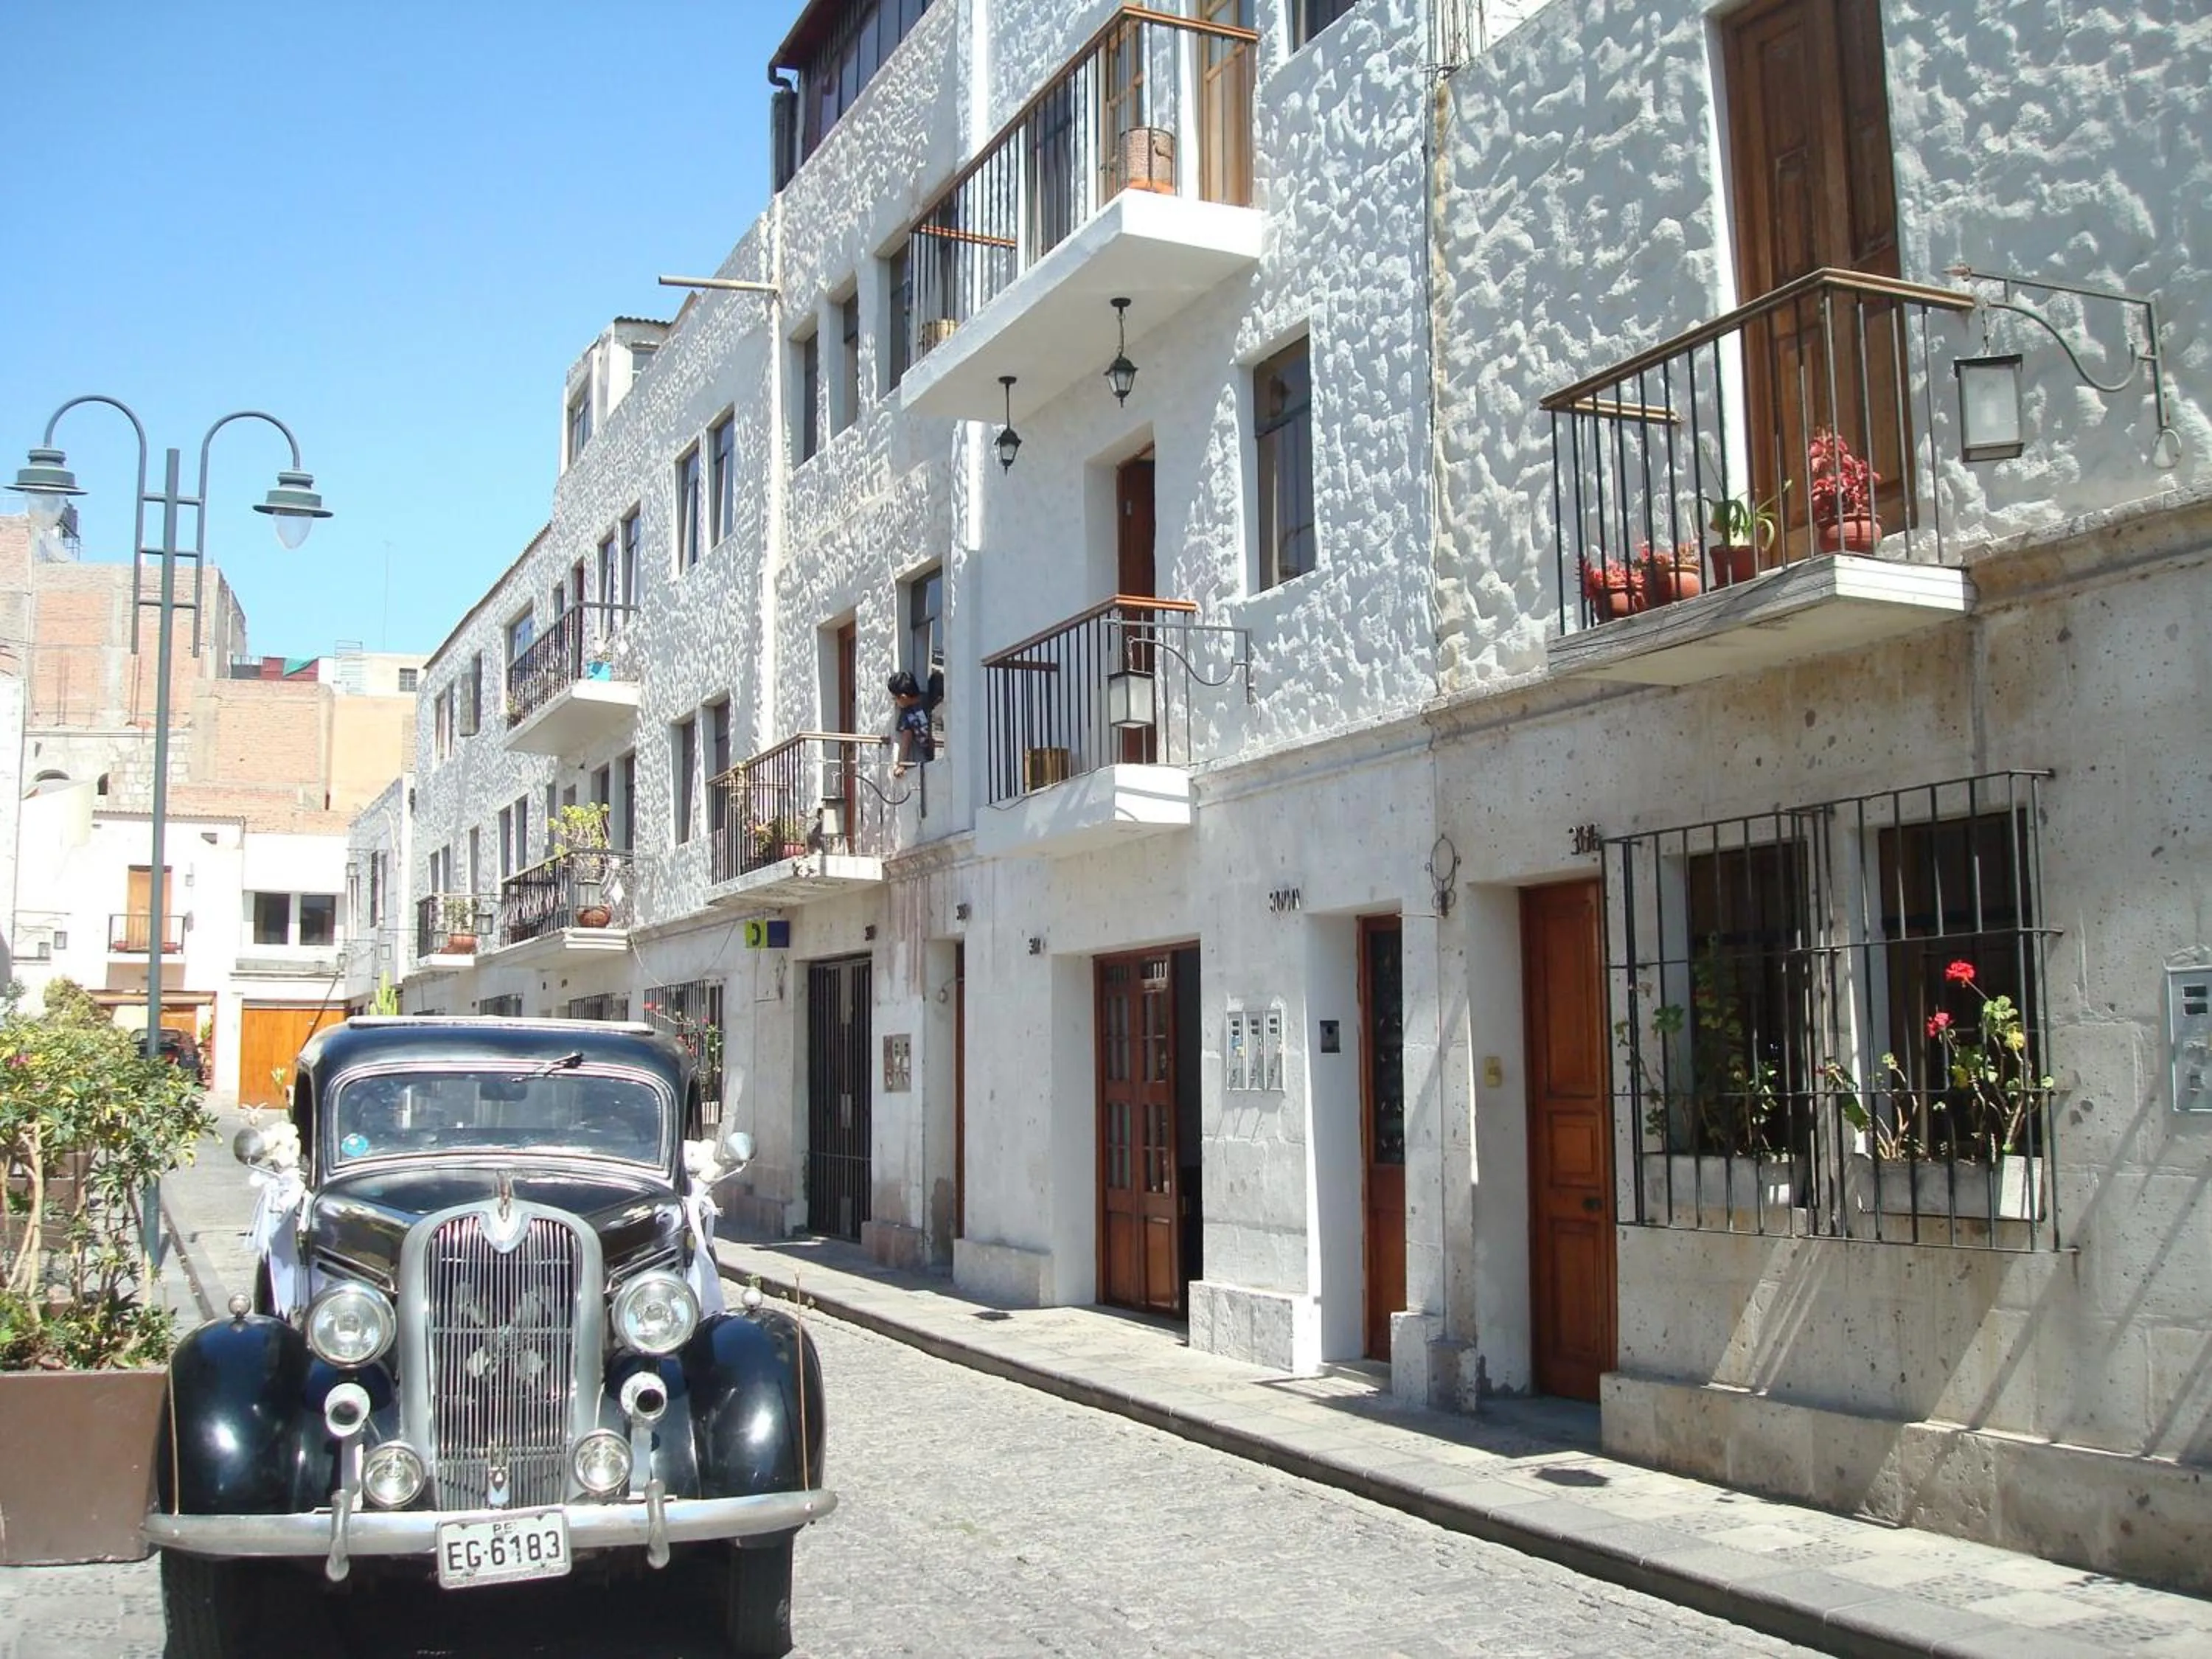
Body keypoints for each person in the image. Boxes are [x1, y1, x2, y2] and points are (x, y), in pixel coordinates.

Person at [886, 667, 942, 776]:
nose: (895, 702)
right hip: (933, 758)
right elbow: (906, 739)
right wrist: (901, 764)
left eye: (895, 698)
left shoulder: (931, 700)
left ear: (903, 697)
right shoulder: (907, 713)